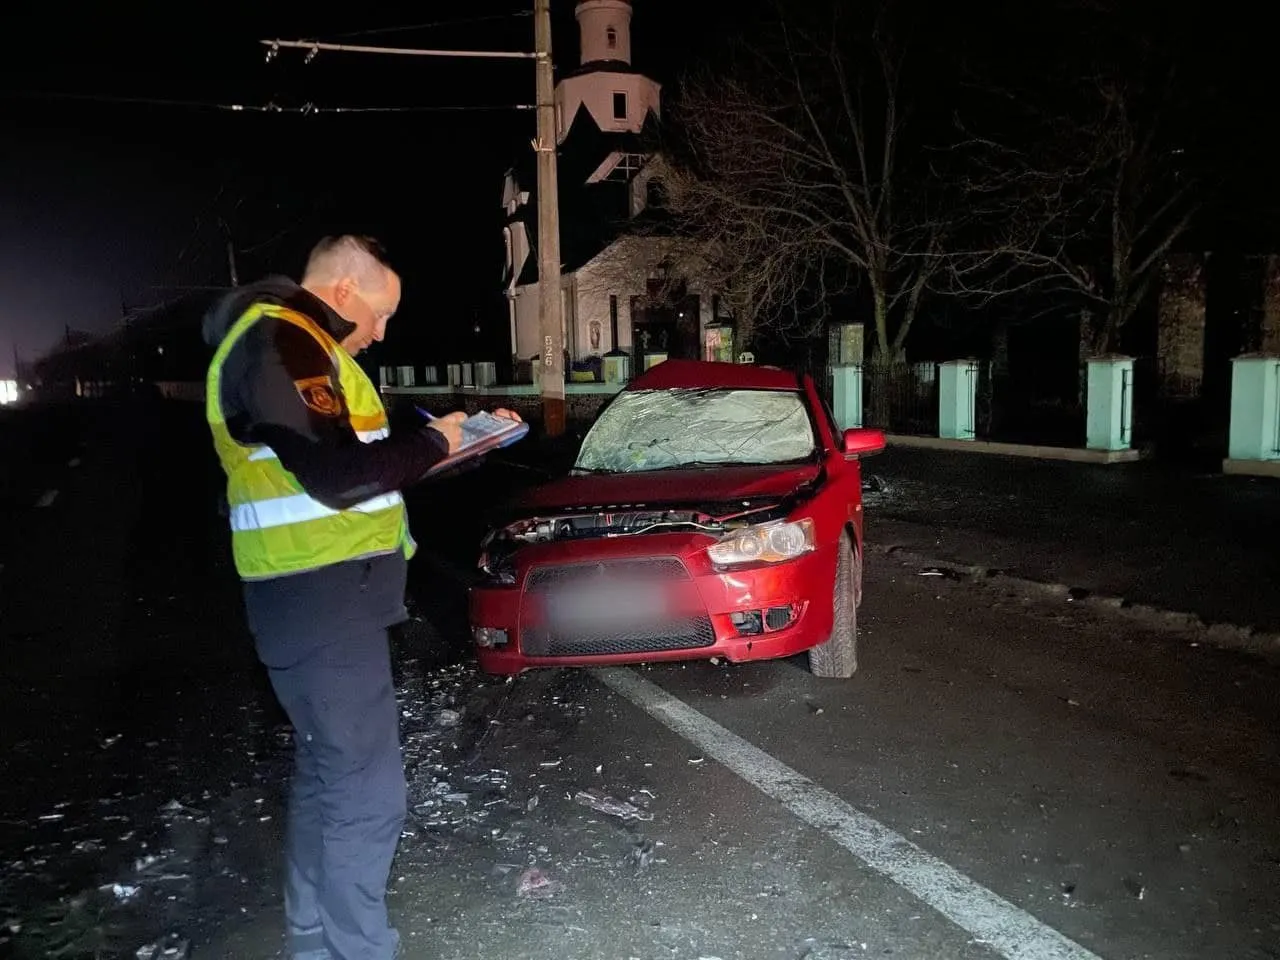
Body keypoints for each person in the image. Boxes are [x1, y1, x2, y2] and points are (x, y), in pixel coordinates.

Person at [202, 234, 520, 960]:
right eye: (380, 313)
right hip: (320, 601)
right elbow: (338, 478)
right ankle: (358, 950)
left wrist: (458, 446)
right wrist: (436, 443)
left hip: (322, 599)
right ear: (344, 292)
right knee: (367, 793)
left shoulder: (303, 347)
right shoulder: (281, 343)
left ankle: (314, 939)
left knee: (328, 776)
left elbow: (362, 473)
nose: (382, 331)